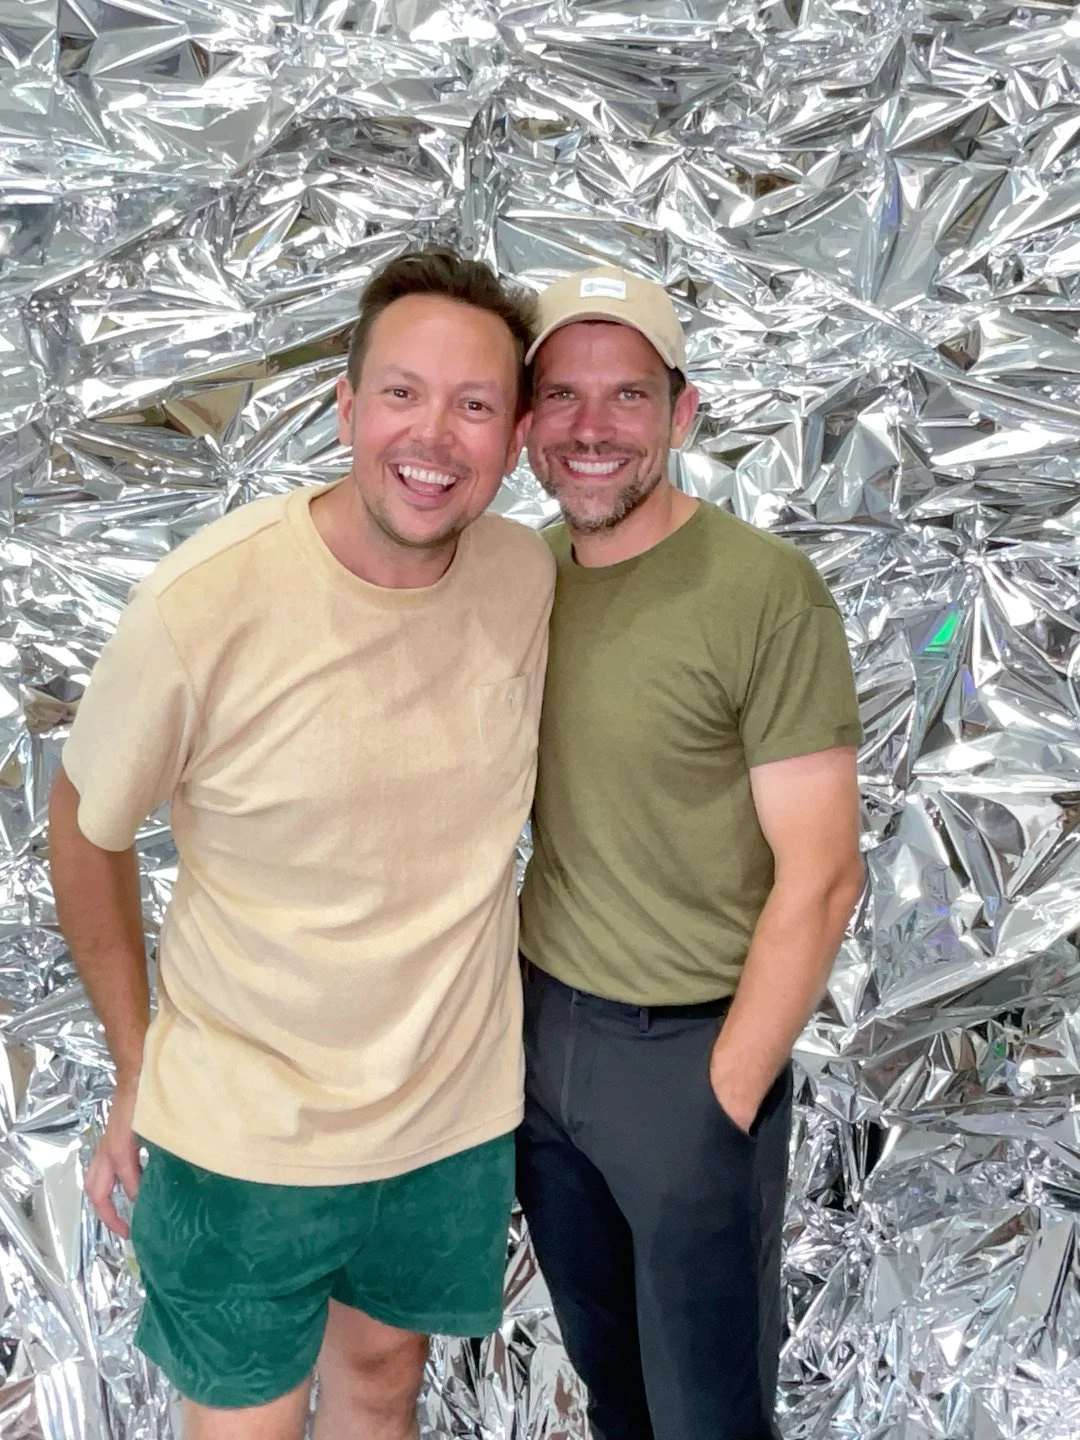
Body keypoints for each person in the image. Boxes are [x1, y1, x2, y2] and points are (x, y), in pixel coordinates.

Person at [48, 248, 555, 1440]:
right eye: (402, 393)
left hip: (446, 1124)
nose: (433, 435)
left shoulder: (522, 575)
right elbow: (83, 826)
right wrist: (137, 1066)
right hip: (244, 1139)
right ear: (345, 406)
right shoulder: (203, 606)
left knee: (382, 1388)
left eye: (474, 405)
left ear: (516, 437)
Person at [516, 265, 865, 1440]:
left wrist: (724, 1099)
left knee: (707, 1415)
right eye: (562, 396)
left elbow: (824, 873)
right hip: (540, 1045)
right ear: (528, 424)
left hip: (688, 1058)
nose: (592, 428)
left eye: (627, 395)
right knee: (613, 1391)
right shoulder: (521, 583)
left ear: (683, 411)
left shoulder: (762, 592)